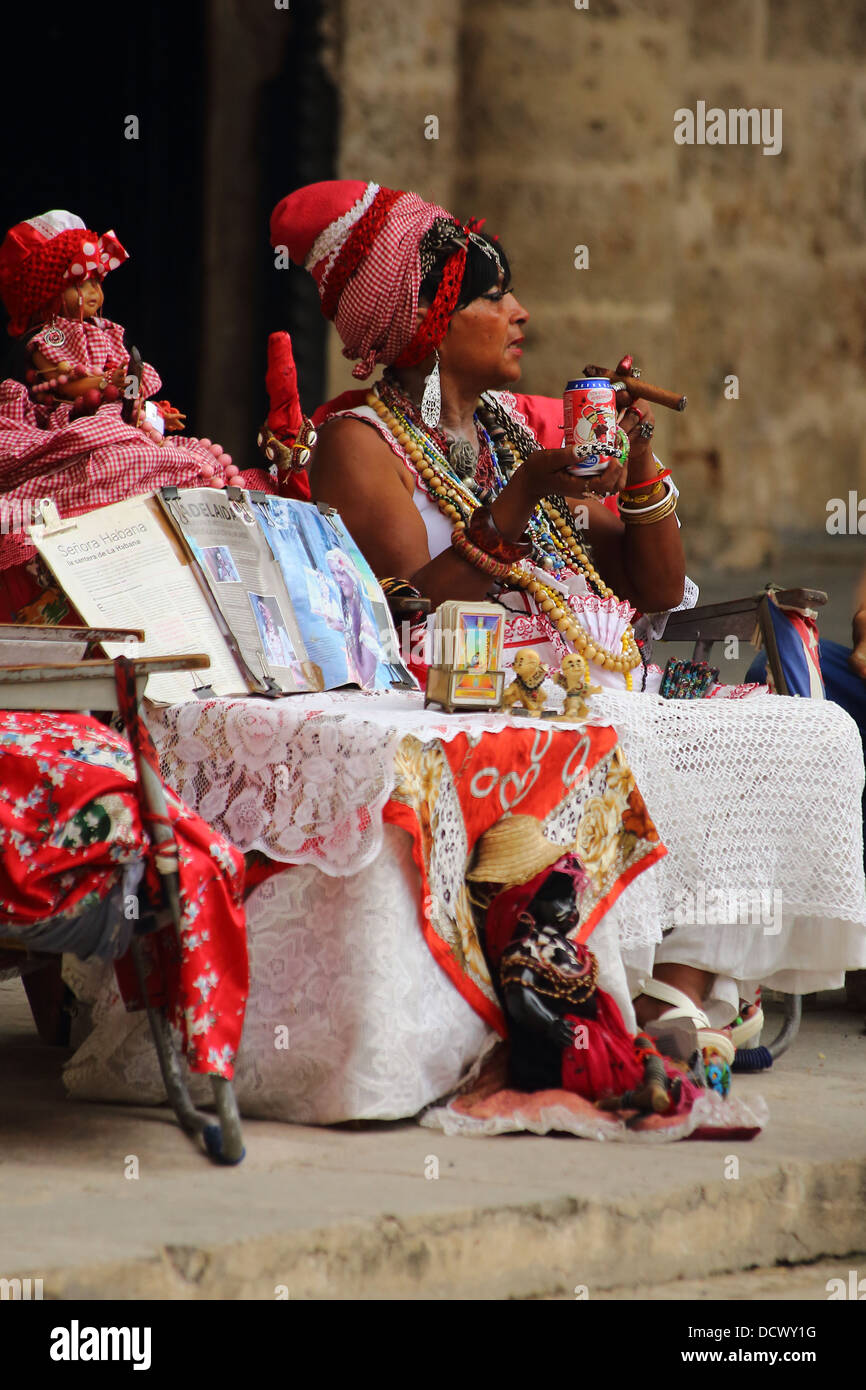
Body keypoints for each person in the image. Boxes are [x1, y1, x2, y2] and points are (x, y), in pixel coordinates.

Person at [268, 179, 866, 1058]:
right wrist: (527, 492)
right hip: (466, 691)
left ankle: (685, 983)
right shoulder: (359, 442)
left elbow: (657, 588)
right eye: (492, 294)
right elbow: (415, 603)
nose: (521, 311)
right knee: (634, 731)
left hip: (590, 671)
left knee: (812, 730)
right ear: (428, 321)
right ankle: (681, 995)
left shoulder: (511, 429)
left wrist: (638, 458)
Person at [0, 209, 278, 623]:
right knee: (114, 456)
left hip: (117, 413)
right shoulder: (52, 336)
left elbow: (126, 387)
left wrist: (148, 406)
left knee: (186, 458)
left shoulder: (106, 330)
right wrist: (105, 380)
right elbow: (65, 385)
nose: (95, 293)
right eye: (83, 283)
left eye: (98, 282)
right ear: (49, 294)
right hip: (77, 417)